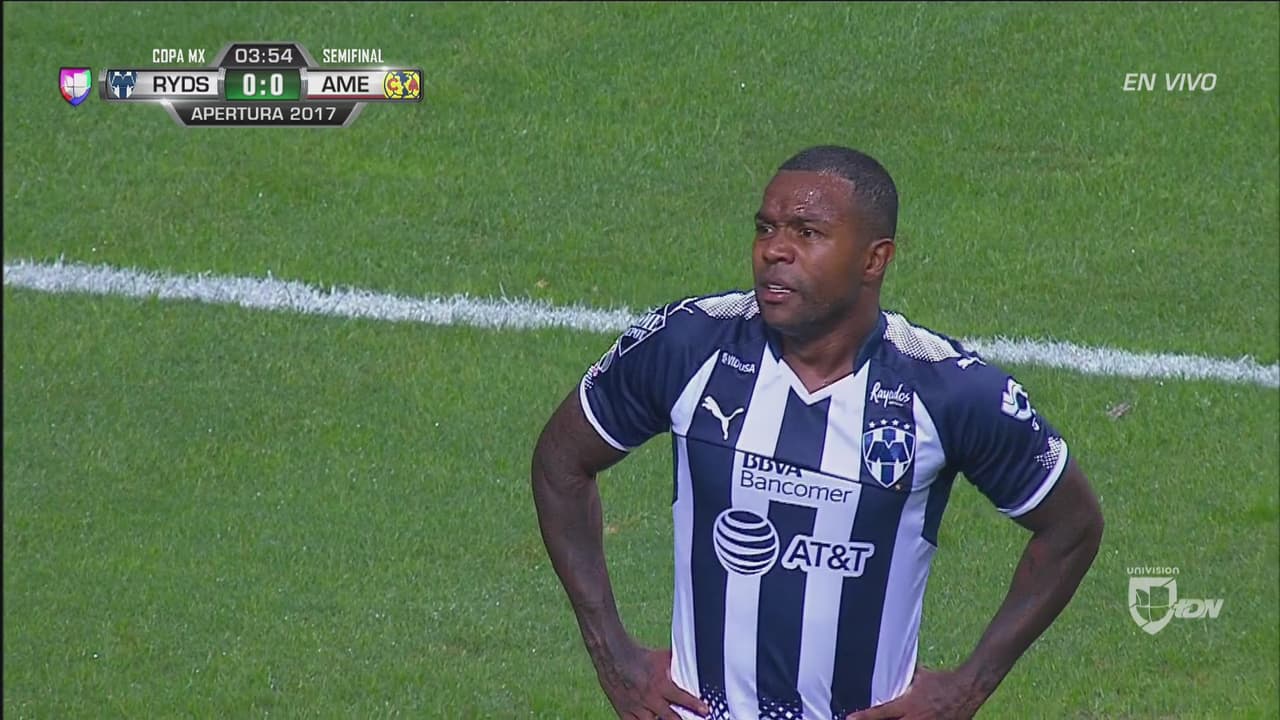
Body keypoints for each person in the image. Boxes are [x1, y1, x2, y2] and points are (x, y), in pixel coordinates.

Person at [531, 145, 1104, 720]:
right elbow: (561, 461)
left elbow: (1072, 525)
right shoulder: (687, 345)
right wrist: (611, 653)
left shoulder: (947, 390)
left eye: (807, 233)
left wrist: (966, 689)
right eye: (766, 228)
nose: (774, 250)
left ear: (874, 259)